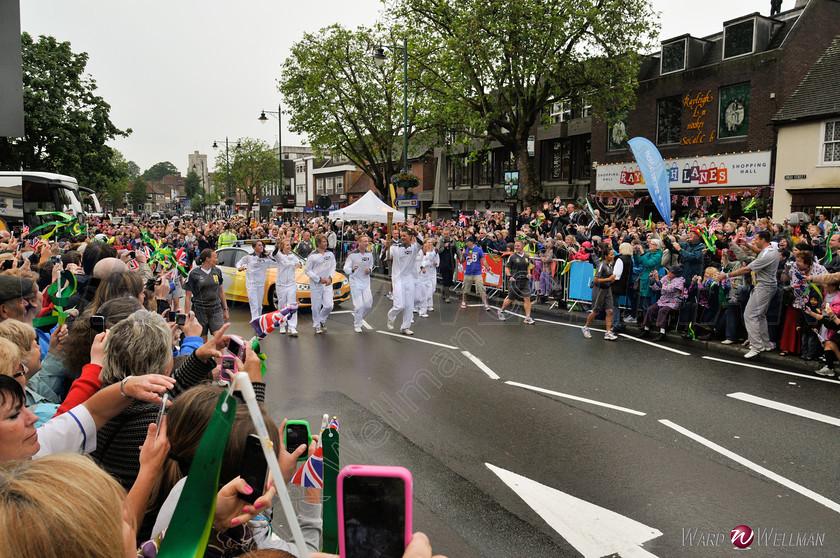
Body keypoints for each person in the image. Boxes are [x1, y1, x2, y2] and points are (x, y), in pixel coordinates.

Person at [716, 230, 779, 358]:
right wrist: (746, 245)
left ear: (763, 240)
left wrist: (726, 275)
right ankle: (766, 344)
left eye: (756, 239)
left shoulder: (767, 254)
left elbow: (747, 268)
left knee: (750, 315)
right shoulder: (771, 249)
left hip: (764, 287)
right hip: (766, 286)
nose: (754, 241)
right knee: (760, 316)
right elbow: (759, 252)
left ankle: (756, 346)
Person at [184, 249, 229, 337]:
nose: (217, 260)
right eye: (215, 258)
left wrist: (226, 309)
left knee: (219, 339)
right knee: (202, 341)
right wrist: (187, 315)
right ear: (208, 259)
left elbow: (221, 292)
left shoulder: (217, 271)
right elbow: (188, 297)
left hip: (215, 310)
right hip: (199, 312)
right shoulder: (194, 273)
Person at [387, 229, 420, 335]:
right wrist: (385, 249)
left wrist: (415, 230)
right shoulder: (395, 248)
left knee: (409, 305)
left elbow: (421, 241)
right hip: (398, 280)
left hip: (409, 279)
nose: (402, 237)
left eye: (405, 235)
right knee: (399, 305)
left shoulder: (414, 248)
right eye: (401, 236)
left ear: (410, 237)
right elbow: (384, 257)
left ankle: (405, 327)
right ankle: (391, 316)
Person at [639, 266, 686, 341]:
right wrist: (652, 281)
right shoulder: (666, 277)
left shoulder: (680, 280)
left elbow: (669, 289)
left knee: (662, 311)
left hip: (673, 301)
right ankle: (646, 329)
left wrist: (658, 281)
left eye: (670, 271)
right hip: (663, 300)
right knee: (650, 309)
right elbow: (657, 288)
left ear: (675, 273)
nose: (668, 272)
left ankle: (662, 332)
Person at [582, 248, 617, 340]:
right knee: (596, 311)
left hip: (607, 289)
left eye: (613, 254)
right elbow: (596, 280)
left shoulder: (611, 265)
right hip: (599, 289)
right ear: (606, 256)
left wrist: (612, 280)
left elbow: (610, 278)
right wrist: (609, 279)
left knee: (610, 311)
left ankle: (608, 332)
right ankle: (586, 327)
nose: (613, 256)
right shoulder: (602, 265)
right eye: (611, 255)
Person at [237, 240, 275, 323]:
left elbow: (276, 261)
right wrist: (240, 268)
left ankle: (258, 320)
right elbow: (239, 263)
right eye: (259, 245)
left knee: (259, 305)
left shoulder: (265, 257)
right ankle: (255, 321)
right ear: (254, 248)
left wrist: (269, 254)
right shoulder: (249, 257)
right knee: (254, 304)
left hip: (260, 284)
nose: (261, 247)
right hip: (251, 284)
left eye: (262, 245)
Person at [498, 239, 535, 324]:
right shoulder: (512, 257)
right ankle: (501, 310)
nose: (516, 247)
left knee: (527, 298)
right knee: (511, 299)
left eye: (518, 246)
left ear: (522, 246)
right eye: (515, 246)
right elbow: (507, 268)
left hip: (524, 281)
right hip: (515, 281)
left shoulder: (526, 256)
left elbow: (528, 266)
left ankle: (527, 317)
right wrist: (509, 276)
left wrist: (529, 273)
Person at [305, 234, 336, 334]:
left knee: (329, 305)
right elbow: (307, 270)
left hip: (327, 283)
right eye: (323, 241)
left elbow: (333, 267)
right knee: (316, 306)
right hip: (316, 284)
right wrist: (318, 279)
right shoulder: (312, 256)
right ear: (318, 243)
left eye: (326, 241)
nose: (326, 243)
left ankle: (322, 320)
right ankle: (317, 325)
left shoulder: (330, 254)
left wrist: (330, 278)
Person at [343, 235, 374, 333]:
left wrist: (370, 270)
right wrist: (352, 269)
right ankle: (357, 324)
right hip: (355, 281)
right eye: (364, 241)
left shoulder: (369, 254)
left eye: (367, 241)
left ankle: (359, 317)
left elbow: (371, 266)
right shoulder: (352, 255)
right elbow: (345, 268)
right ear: (359, 242)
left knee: (368, 304)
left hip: (365, 281)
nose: (367, 243)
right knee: (359, 305)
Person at [274, 239, 302, 337]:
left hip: (291, 284)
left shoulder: (292, 256)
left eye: (289, 245)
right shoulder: (279, 256)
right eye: (286, 245)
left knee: (292, 305)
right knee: (282, 305)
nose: (289, 247)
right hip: (281, 285)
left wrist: (299, 264)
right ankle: (282, 324)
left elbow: (300, 263)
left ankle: (292, 327)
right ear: (282, 247)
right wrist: (276, 245)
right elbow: (274, 253)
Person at [460, 236, 490, 311]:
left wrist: (487, 268)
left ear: (472, 242)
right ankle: (463, 301)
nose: (466, 243)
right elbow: (461, 261)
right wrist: (463, 254)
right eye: (466, 242)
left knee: (481, 288)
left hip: (477, 272)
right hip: (468, 272)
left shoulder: (478, 250)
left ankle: (485, 303)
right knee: (465, 288)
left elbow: (483, 260)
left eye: (468, 242)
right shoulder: (466, 250)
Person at [416, 238, 440, 318]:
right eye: (428, 243)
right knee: (423, 293)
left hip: (430, 274)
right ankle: (421, 310)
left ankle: (423, 307)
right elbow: (421, 262)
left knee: (430, 291)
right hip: (422, 276)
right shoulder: (420, 253)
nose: (429, 244)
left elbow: (434, 254)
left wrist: (435, 263)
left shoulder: (431, 253)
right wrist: (422, 267)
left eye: (431, 243)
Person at [436, 228, 460, 303]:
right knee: (446, 279)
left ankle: (443, 293)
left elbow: (457, 250)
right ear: (443, 234)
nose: (446, 235)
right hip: (443, 263)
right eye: (445, 234)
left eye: (447, 234)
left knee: (449, 281)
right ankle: (447, 296)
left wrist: (460, 257)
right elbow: (437, 251)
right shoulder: (440, 241)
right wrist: (444, 247)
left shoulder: (453, 241)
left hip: (451, 263)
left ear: (450, 234)